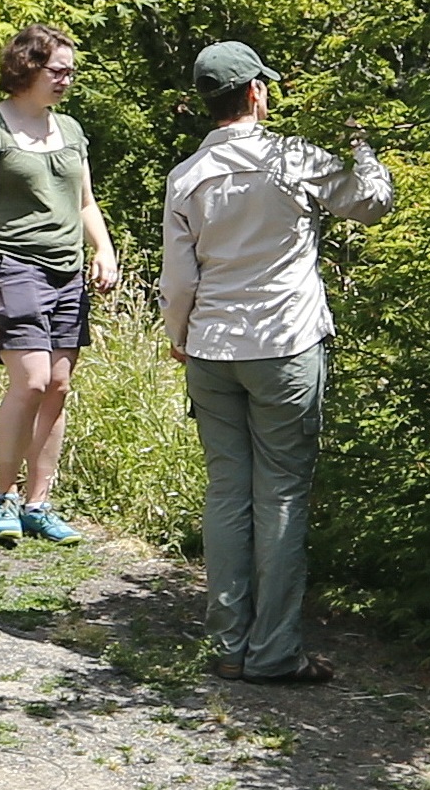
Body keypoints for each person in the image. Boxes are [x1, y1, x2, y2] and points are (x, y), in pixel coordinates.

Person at [158, 39, 386, 685]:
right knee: (281, 493)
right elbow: (371, 203)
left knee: (228, 492)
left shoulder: (187, 175)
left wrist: (181, 334)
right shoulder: (295, 158)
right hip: (285, 346)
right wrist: (364, 146)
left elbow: (179, 280)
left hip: (212, 348)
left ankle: (231, 645)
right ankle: (276, 651)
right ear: (256, 91)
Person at [0, 23, 117, 546]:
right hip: (11, 266)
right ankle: (4, 496)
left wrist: (103, 248)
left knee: (60, 387)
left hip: (66, 271)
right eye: (57, 70)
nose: (66, 80)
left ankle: (38, 503)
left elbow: (85, 201)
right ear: (27, 68)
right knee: (33, 380)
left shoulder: (69, 130)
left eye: (71, 72)